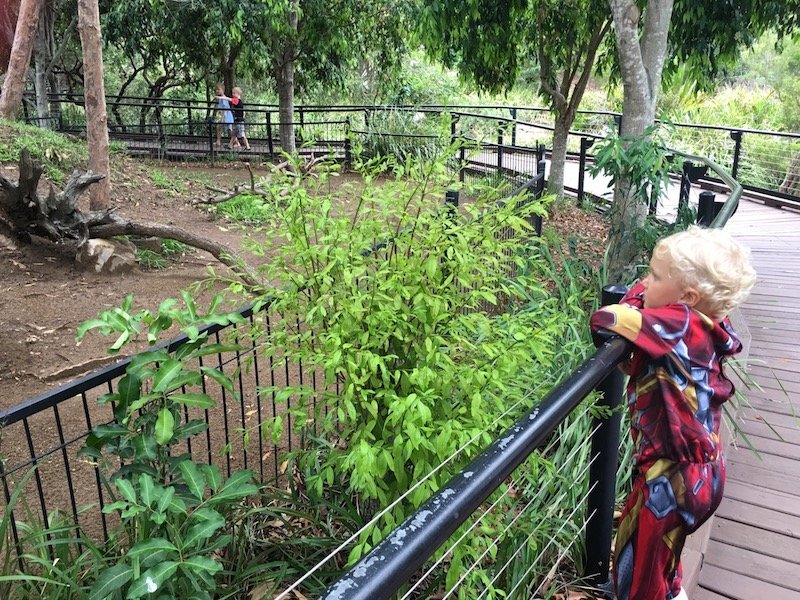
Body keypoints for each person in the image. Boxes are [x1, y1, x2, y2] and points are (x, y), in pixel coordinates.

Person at [590, 226, 756, 600]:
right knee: (661, 560)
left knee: (639, 579)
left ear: (687, 297)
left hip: (673, 479)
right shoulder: (710, 323)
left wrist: (634, 299)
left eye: (655, 275)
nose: (645, 281)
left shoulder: (675, 324)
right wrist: (652, 290)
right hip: (702, 471)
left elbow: (606, 320)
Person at [213, 83, 236, 148]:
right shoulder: (221, 98)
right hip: (225, 116)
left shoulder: (223, 98)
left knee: (230, 130)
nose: (217, 91)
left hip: (227, 116)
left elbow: (225, 108)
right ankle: (218, 141)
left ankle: (236, 142)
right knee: (219, 127)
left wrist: (222, 118)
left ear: (223, 90)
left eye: (218, 89)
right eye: (216, 90)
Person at [230, 86, 250, 150]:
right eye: (232, 93)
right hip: (236, 119)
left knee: (242, 134)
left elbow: (231, 100)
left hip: (239, 120)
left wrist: (224, 97)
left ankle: (247, 146)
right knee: (234, 134)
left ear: (238, 94)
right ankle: (230, 145)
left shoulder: (238, 101)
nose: (233, 95)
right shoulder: (237, 101)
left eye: (234, 93)